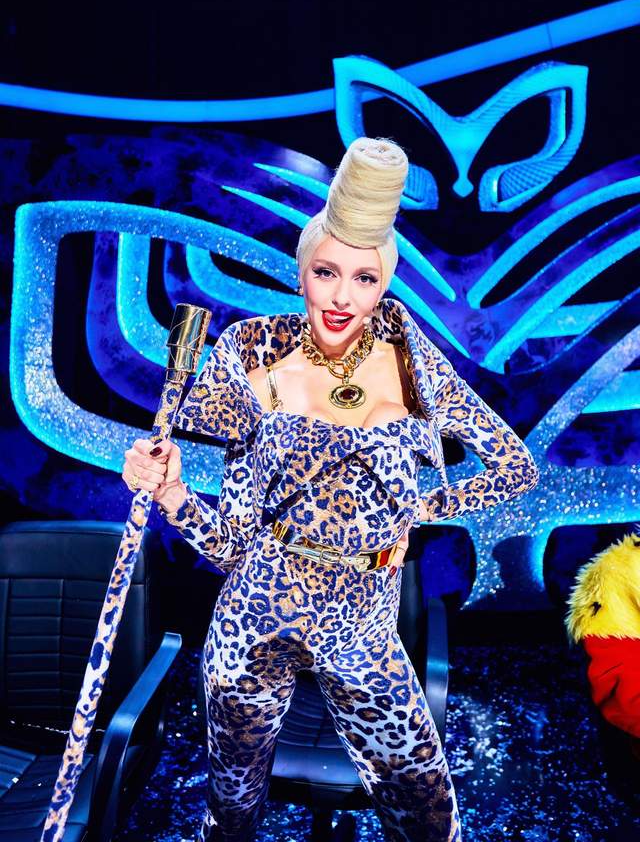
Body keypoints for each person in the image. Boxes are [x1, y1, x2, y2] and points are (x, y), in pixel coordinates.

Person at [122, 136, 540, 842]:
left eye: (365, 278)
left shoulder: (409, 362)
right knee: (231, 812)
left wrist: (422, 506)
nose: (343, 297)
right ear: (301, 272)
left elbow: (514, 467)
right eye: (326, 272)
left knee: (430, 816)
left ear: (384, 285)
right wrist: (169, 493)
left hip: (363, 629)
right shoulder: (252, 359)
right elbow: (232, 545)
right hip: (256, 614)